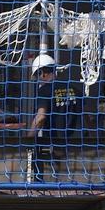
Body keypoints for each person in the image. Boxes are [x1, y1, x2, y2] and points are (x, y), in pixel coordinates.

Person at [27, 53, 80, 181]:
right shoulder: (74, 88)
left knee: (55, 185)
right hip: (79, 146)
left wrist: (27, 139)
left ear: (43, 73)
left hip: (56, 146)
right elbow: (88, 116)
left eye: (37, 76)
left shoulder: (44, 91)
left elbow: (40, 118)